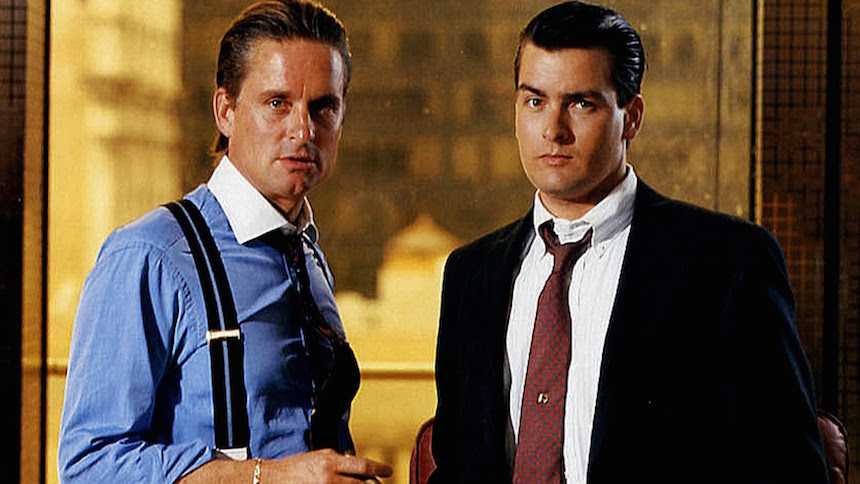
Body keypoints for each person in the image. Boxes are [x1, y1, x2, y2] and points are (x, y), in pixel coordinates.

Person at [430, 2, 829, 483]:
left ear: (632, 117)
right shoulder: (471, 274)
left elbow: (789, 467)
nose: (553, 130)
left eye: (581, 104)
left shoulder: (727, 263)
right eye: (535, 101)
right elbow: (456, 467)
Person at [58, 1, 392, 482]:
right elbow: (89, 466)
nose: (303, 130)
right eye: (277, 103)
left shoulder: (308, 256)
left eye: (324, 107)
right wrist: (269, 477)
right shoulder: (149, 256)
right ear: (226, 112)